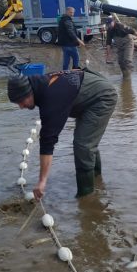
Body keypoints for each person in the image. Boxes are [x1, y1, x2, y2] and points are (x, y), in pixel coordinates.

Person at [7, 69, 117, 198]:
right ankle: (96, 178)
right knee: (86, 142)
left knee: (83, 145)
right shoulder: (40, 85)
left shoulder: (51, 98)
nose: (21, 106)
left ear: (29, 92)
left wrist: (42, 182)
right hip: (87, 89)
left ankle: (87, 195)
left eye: (21, 101)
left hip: (102, 96)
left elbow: (48, 142)